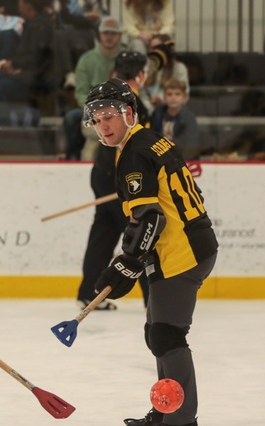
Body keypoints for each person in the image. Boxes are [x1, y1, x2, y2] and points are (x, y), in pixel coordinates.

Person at [83, 78, 218, 426]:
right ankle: (167, 407)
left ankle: (181, 422)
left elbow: (151, 219)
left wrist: (127, 261)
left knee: (166, 334)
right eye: (97, 119)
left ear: (128, 113)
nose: (103, 125)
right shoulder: (153, 139)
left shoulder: (133, 153)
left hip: (181, 252)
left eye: (109, 116)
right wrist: (133, 259)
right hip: (188, 243)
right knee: (157, 331)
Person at [76, 50, 151, 312]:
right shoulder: (132, 103)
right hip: (123, 177)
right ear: (141, 74)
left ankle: (89, 292)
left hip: (101, 173)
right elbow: (138, 148)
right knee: (141, 235)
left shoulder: (106, 94)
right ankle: (152, 298)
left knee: (104, 232)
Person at [63, 14, 125, 161]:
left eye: (113, 33)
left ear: (119, 35)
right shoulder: (87, 59)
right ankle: (72, 155)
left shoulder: (126, 57)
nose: (109, 37)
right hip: (91, 107)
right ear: (99, 34)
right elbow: (81, 92)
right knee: (71, 118)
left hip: (121, 108)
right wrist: (97, 108)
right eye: (106, 33)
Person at [0, 0, 55, 113]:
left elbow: (36, 59)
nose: (18, 8)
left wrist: (14, 64)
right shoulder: (30, 24)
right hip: (23, 72)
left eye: (20, 4)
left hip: (35, 77)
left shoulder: (40, 27)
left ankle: (5, 126)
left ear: (28, 6)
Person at [149, 78, 199, 159]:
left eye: (177, 94)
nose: (173, 97)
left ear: (184, 97)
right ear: (164, 97)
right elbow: (150, 139)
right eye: (169, 94)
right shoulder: (157, 114)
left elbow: (192, 147)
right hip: (159, 159)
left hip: (182, 161)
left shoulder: (189, 118)